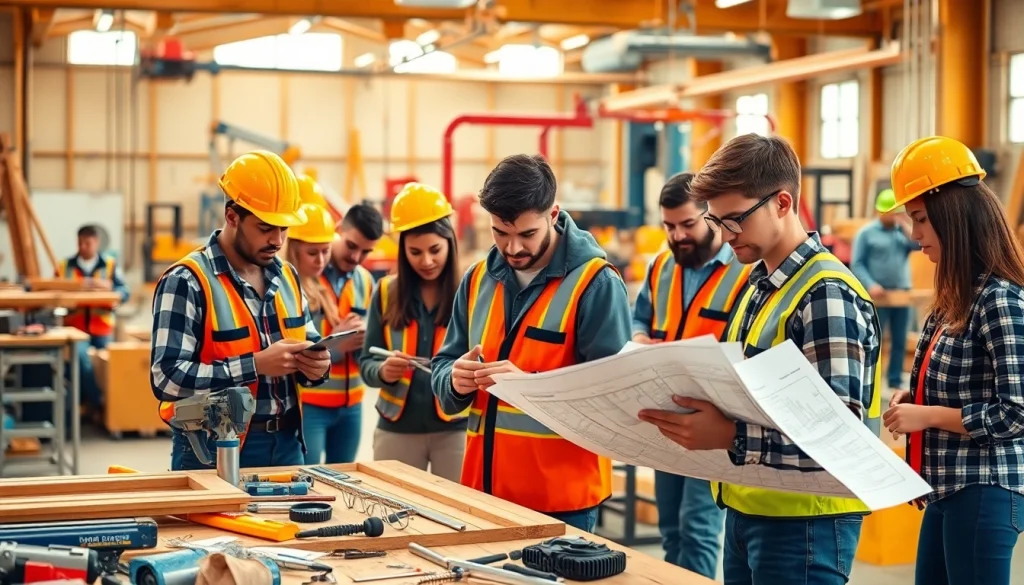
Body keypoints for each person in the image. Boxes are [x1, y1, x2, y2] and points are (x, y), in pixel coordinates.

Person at [638, 134, 882, 585]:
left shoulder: (824, 293)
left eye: (734, 221)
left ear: (783, 202)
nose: (723, 235)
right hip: (750, 504)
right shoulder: (760, 286)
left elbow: (839, 439)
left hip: (805, 522)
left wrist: (730, 435)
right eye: (715, 220)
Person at [430, 154, 634, 532]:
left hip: (561, 503)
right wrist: (452, 381)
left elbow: (613, 400)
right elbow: (443, 365)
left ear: (553, 215)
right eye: (500, 233)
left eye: (527, 234)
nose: (512, 249)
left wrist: (529, 385)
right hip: (484, 495)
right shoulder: (477, 279)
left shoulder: (596, 284)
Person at [881, 136, 1024, 585]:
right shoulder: (953, 299)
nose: (914, 233)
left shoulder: (1000, 300)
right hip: (946, 487)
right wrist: (915, 397)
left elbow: (1016, 412)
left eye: (921, 219)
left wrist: (927, 415)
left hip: (984, 489)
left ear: (953, 216)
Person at [150, 150, 332, 470]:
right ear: (232, 216)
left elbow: (311, 339)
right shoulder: (187, 281)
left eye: (283, 229)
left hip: (289, 443)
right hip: (211, 449)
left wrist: (318, 366)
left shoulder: (287, 276)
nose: (277, 240)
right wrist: (255, 365)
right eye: (265, 228)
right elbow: (166, 378)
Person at [631, 171, 751, 579]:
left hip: (712, 423)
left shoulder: (743, 271)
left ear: (711, 218)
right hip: (667, 419)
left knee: (698, 530)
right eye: (669, 226)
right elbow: (639, 318)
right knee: (672, 532)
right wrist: (640, 337)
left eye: (688, 224)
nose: (678, 235)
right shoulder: (662, 265)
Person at [360, 183, 468, 482]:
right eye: (415, 252)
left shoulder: (470, 293)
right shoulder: (385, 292)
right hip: (396, 429)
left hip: (456, 428)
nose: (426, 261)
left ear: (450, 243)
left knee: (461, 519)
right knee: (397, 520)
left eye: (435, 250)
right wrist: (383, 371)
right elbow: (366, 363)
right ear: (402, 250)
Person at [302, 202, 383, 464]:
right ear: (338, 230)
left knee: (344, 483)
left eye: (366, 252)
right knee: (308, 483)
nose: (357, 257)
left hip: (352, 407)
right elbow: (296, 346)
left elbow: (368, 345)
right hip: (311, 404)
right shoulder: (306, 276)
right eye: (351, 246)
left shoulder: (366, 281)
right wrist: (337, 344)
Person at [851, 188, 921, 391]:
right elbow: (858, 263)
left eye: (898, 211)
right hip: (879, 297)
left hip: (902, 295)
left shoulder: (902, 233)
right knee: (875, 339)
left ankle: (894, 380)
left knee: (900, 340)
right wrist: (870, 284)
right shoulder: (866, 234)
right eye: (892, 212)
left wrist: (904, 225)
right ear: (880, 211)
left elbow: (919, 245)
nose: (894, 215)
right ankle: (872, 379)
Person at [57, 224, 131, 415]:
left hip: (102, 329)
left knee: (113, 364)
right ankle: (97, 404)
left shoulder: (110, 265)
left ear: (96, 243)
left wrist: (109, 289)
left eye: (87, 243)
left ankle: (96, 405)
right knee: (81, 360)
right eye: (80, 243)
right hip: (76, 328)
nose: (83, 247)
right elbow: (53, 290)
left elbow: (124, 292)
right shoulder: (65, 266)